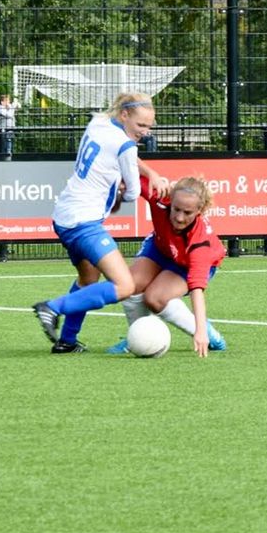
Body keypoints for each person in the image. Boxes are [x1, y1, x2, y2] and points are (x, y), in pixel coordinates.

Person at [32, 92, 169, 354]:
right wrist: (129, 186)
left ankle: (68, 341)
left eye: (149, 126)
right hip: (84, 223)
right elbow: (130, 193)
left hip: (63, 217)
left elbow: (121, 156)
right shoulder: (126, 146)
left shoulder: (97, 122)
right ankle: (52, 307)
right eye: (141, 125)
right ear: (125, 114)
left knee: (88, 278)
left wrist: (148, 172)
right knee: (124, 285)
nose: (146, 131)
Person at [105, 175, 228, 358]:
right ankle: (137, 337)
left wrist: (200, 332)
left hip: (186, 263)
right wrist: (125, 179)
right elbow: (132, 170)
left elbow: (196, 288)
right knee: (128, 285)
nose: (179, 218)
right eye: (176, 209)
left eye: (187, 213)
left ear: (199, 211)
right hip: (161, 248)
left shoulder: (200, 242)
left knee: (154, 298)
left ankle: (210, 333)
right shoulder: (161, 198)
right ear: (170, 200)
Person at [0, 93, 20, 157]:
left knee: (9, 140)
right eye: (7, 101)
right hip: (2, 128)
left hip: (10, 127)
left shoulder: (9, 106)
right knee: (2, 143)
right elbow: (9, 115)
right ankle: (2, 155)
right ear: (2, 102)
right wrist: (12, 109)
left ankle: (9, 153)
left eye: (9, 101)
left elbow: (19, 105)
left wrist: (14, 105)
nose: (8, 102)